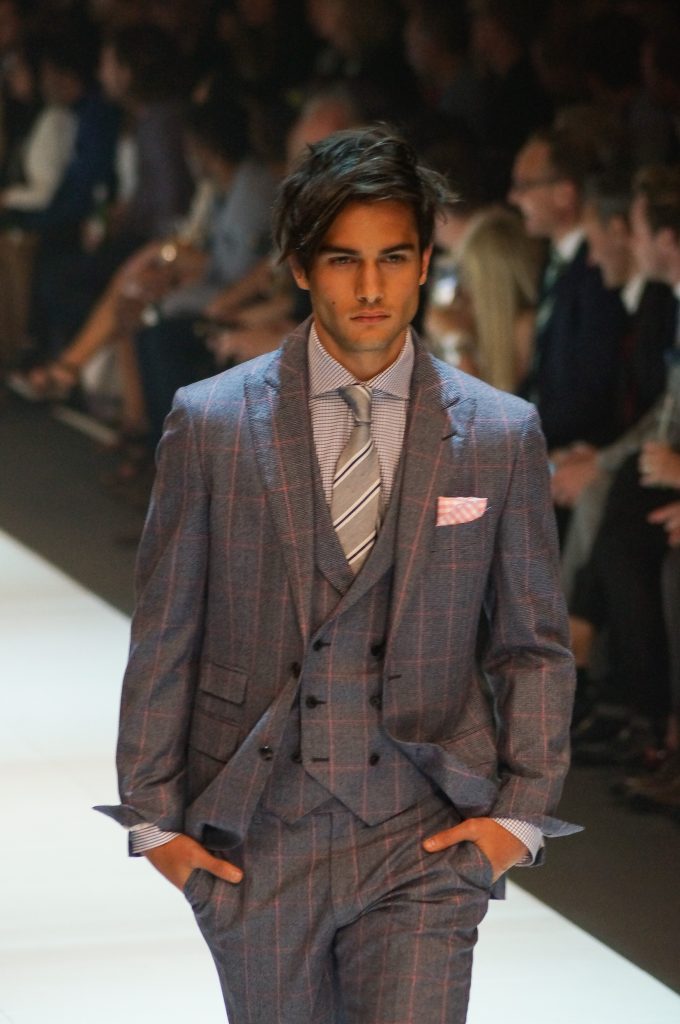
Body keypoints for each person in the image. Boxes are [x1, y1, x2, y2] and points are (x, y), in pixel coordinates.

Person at [96, 126, 577, 1024]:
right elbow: (167, 627)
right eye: (343, 259)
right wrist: (154, 822)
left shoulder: (500, 434)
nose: (370, 287)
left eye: (393, 258)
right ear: (299, 266)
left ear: (425, 262)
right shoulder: (211, 423)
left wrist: (518, 816)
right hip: (256, 837)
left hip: (424, 836)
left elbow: (532, 643)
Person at [424, 204, 539, 393]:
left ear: (489, 280)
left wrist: (455, 342)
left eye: (467, 273)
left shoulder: (526, 327)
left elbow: (482, 405)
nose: (462, 288)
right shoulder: (470, 320)